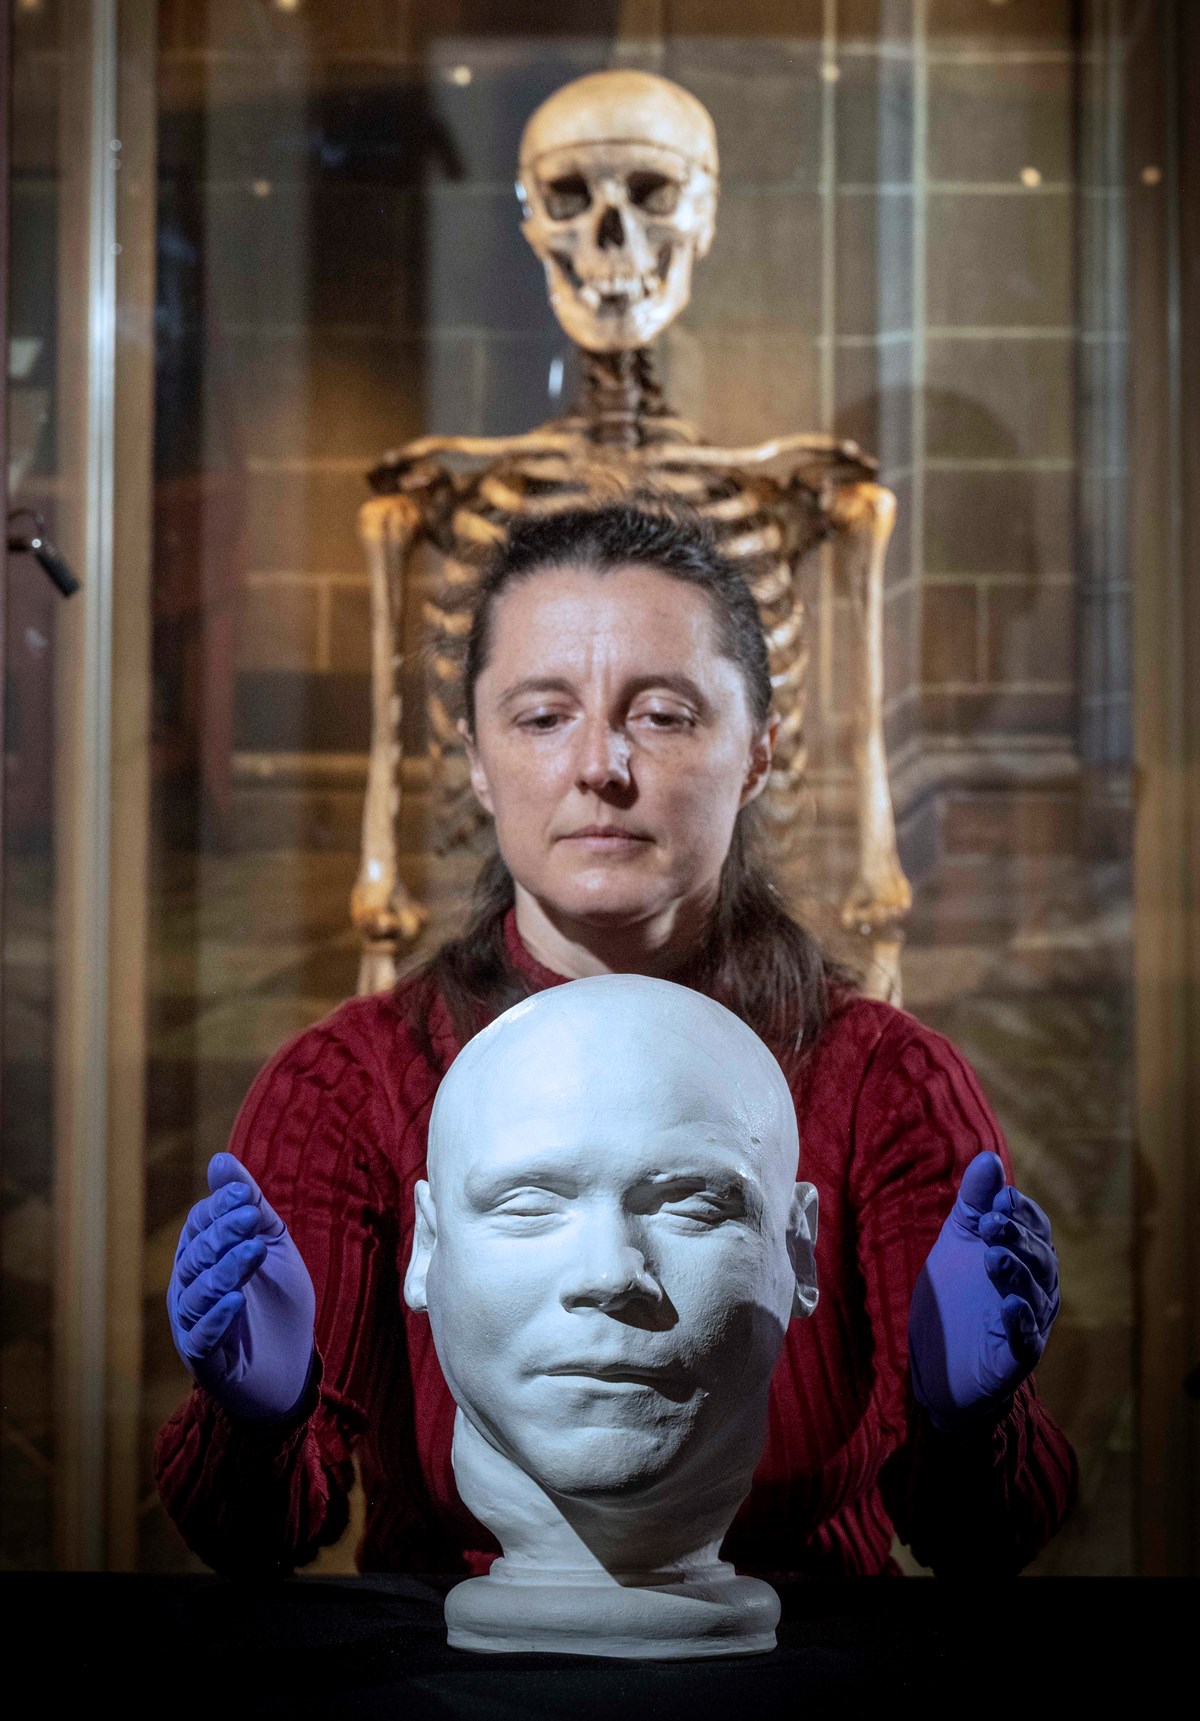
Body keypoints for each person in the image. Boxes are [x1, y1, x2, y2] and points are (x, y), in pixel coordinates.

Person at [157, 503, 1076, 1579]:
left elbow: (992, 1538)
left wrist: (974, 1417)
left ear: (760, 752)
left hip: (797, 1664)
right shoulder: (352, 1086)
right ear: (478, 761)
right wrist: (254, 1420)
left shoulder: (886, 1083)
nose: (601, 765)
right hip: (461, 1671)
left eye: (666, 715)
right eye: (543, 716)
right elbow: (251, 1536)